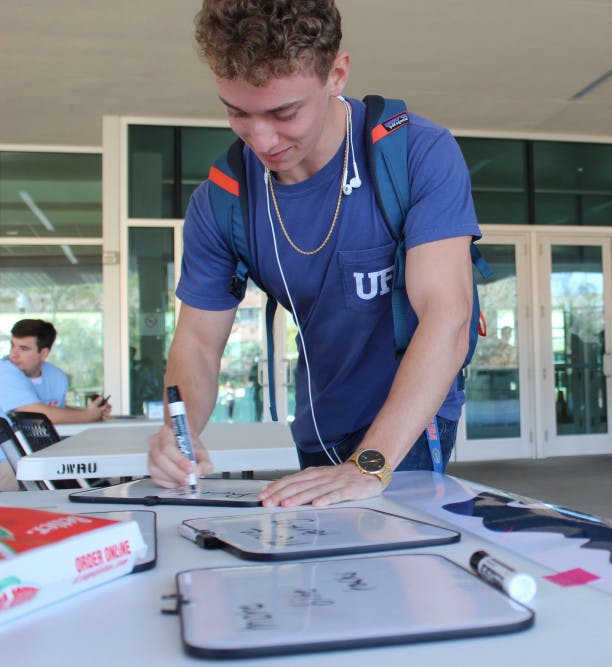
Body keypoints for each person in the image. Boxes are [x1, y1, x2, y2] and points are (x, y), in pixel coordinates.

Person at [147, 0, 479, 508]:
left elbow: (447, 316)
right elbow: (197, 342)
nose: (261, 139)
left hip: (407, 423)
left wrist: (368, 465)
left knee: (391, 551)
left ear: (336, 75)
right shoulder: (222, 199)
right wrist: (180, 432)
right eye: (238, 112)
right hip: (319, 418)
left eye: (285, 113)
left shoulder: (418, 153)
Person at [0, 319, 112, 424]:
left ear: (43, 353)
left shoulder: (56, 376)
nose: (13, 354)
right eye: (12, 346)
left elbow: (56, 410)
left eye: (23, 349)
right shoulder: (4, 371)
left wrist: (94, 411)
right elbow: (35, 415)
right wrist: (87, 416)